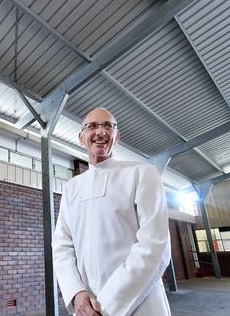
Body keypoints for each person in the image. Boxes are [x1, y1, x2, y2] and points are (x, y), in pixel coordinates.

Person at [52, 108, 171, 316]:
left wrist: (106, 305)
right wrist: (77, 293)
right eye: (92, 126)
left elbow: (155, 246)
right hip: (85, 308)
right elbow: (62, 246)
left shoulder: (142, 173)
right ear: (81, 137)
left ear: (117, 137)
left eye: (108, 126)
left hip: (139, 305)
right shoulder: (71, 188)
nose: (101, 132)